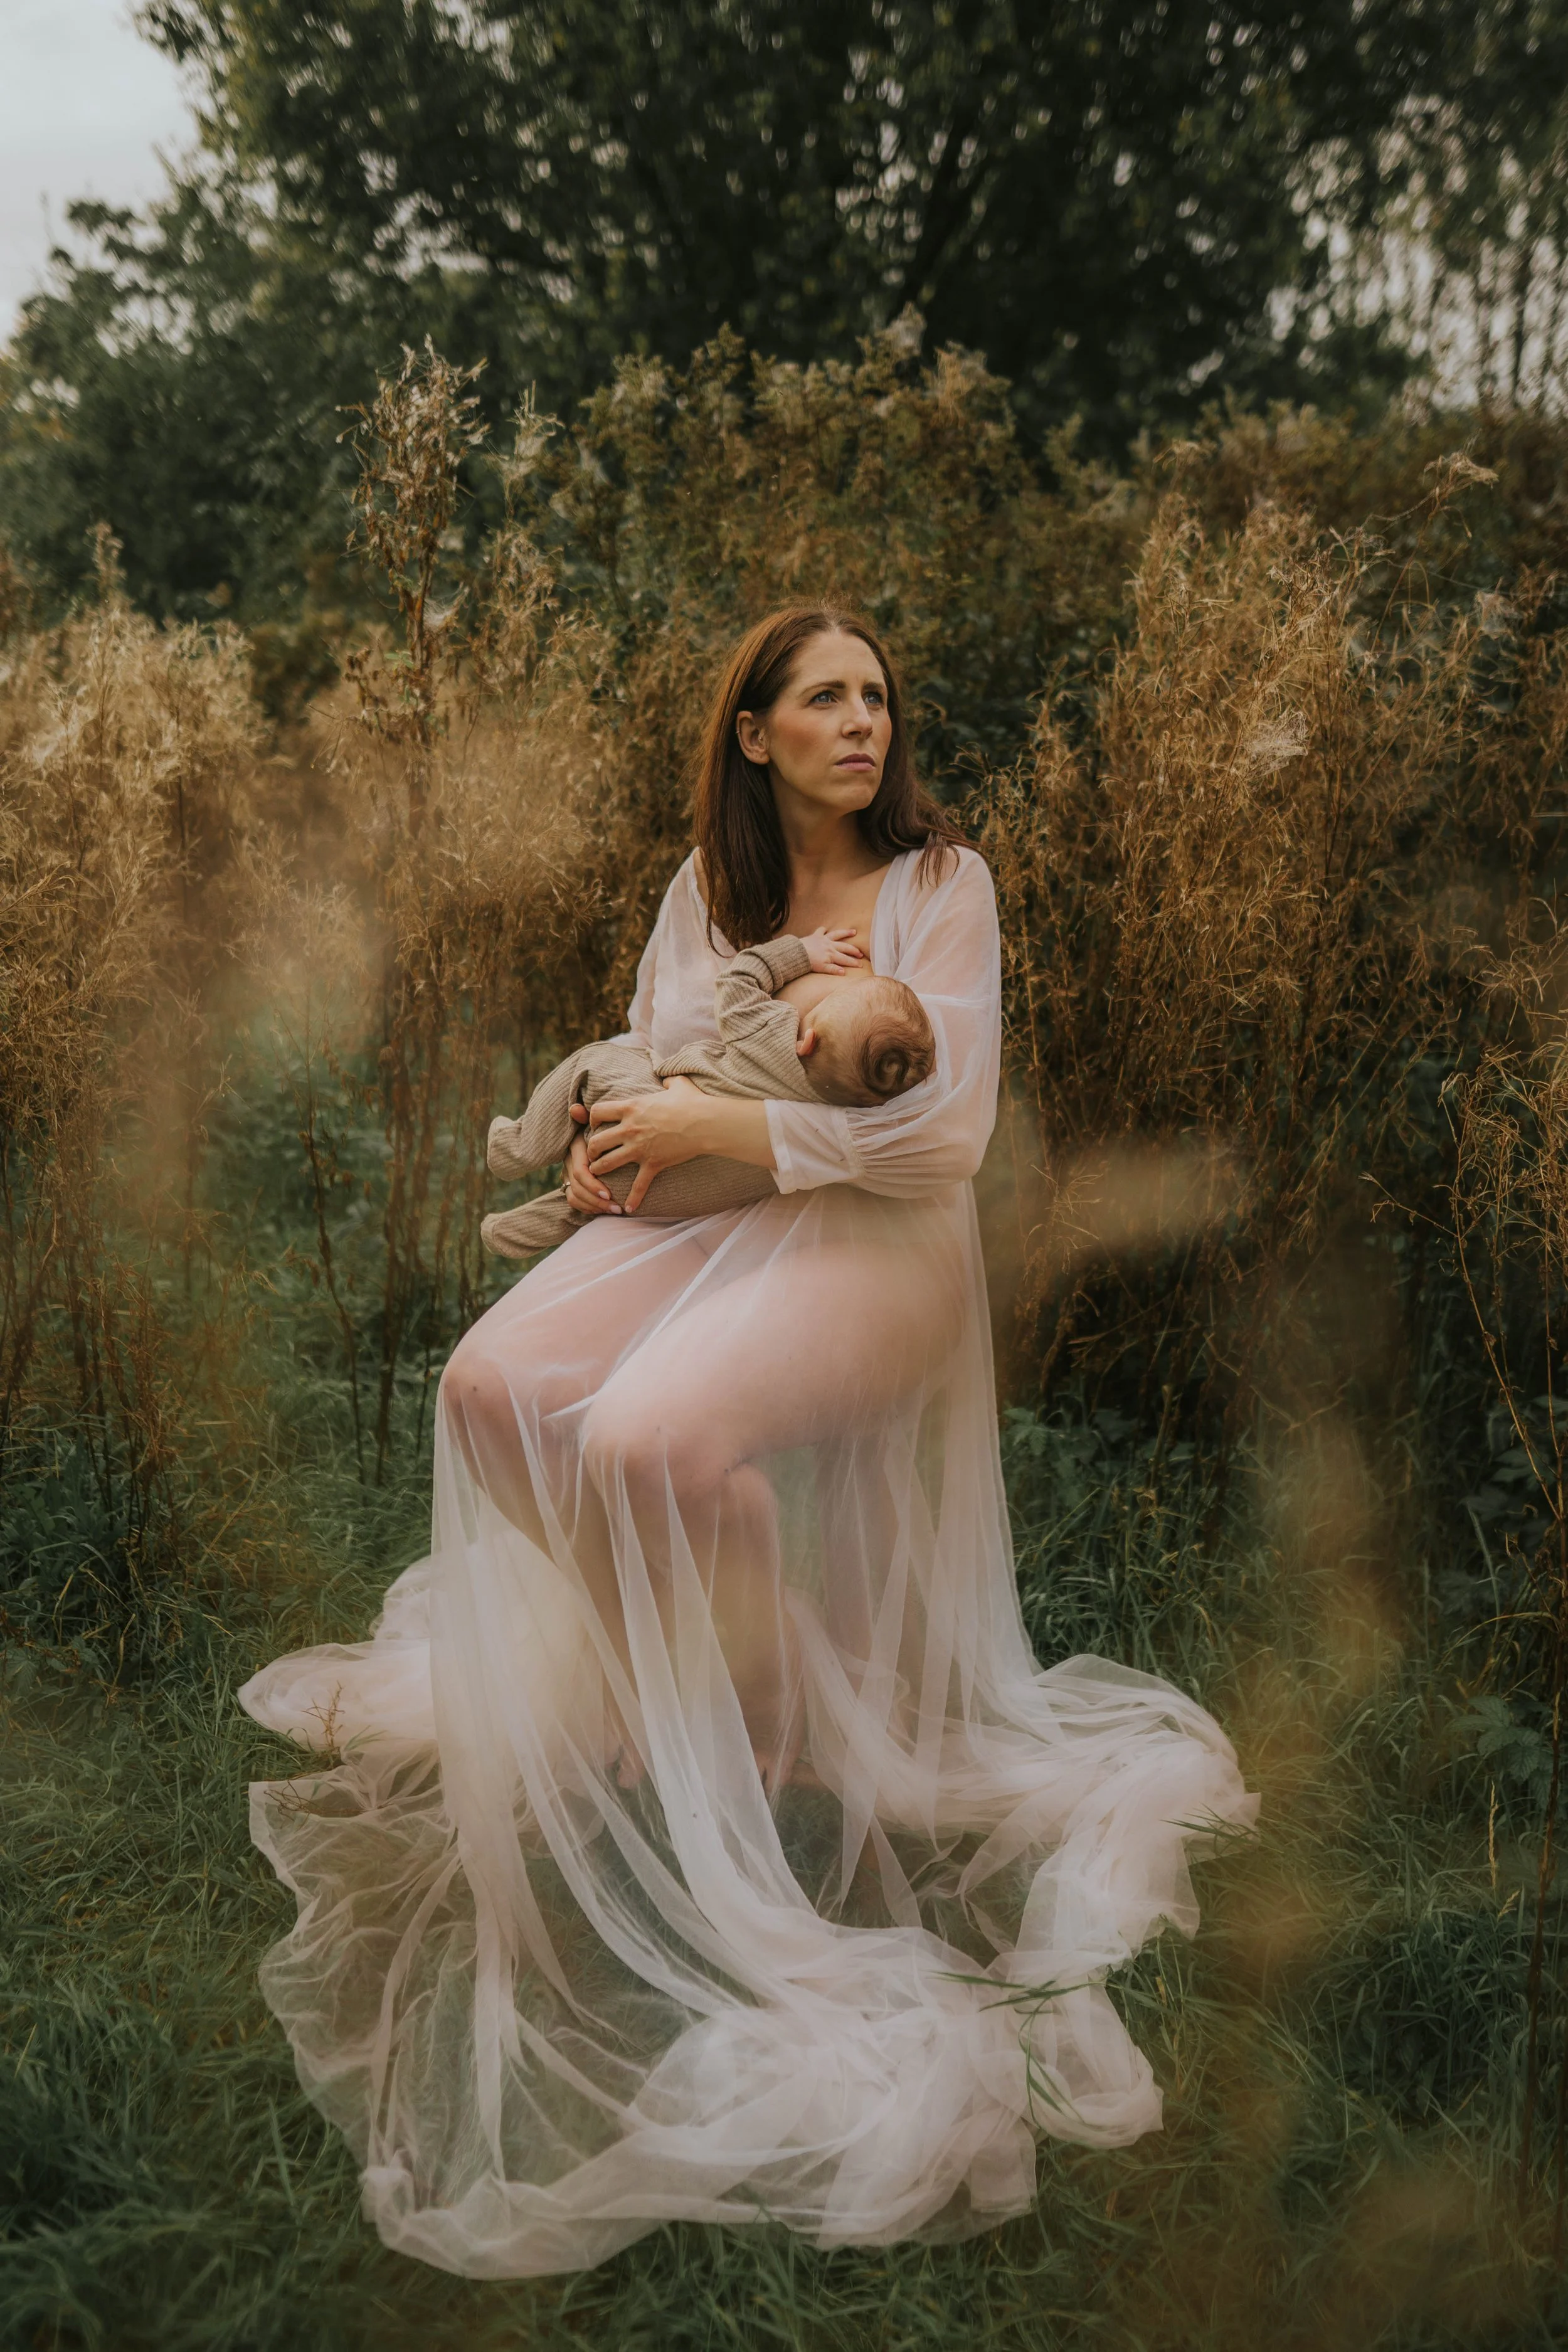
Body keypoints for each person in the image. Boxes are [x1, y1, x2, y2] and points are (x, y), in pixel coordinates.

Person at [240, 604, 1257, 2279]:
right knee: (488, 1391)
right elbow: (660, 1078)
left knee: (648, 1439)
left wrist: (717, 1123)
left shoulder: (945, 888)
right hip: (712, 1216)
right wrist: (615, 1158)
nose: (861, 721)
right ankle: (732, 1678)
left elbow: (939, 1133)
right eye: (824, 697)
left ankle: (779, 1757)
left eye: (876, 696)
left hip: (878, 1249)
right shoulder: (704, 895)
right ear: (755, 733)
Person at [480, 924, 936, 1258]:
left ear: (807, 1038)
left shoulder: (773, 1034)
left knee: (588, 1065)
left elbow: (740, 978)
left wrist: (801, 952)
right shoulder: (830, 1119)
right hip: (672, 1200)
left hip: (645, 1103)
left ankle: (515, 1147)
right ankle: (510, 1232)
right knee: (598, 1200)